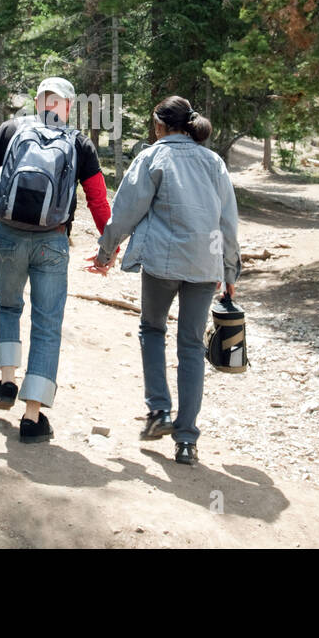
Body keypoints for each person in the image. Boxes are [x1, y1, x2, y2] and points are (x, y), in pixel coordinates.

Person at [84, 96, 240, 465]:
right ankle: (186, 441)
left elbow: (125, 210)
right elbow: (228, 223)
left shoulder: (153, 157)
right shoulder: (213, 162)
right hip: (205, 267)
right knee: (190, 347)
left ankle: (158, 413)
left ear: (159, 125)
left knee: (152, 330)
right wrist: (229, 271)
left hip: (161, 264)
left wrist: (105, 252)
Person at [0, 77, 113, 443]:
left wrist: (5, 196)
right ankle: (32, 418)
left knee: (7, 307)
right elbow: (98, 200)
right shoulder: (79, 143)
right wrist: (109, 247)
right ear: (68, 106)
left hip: (7, 235)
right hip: (52, 241)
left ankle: (6, 382)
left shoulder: (10, 130)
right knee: (47, 325)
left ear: (38, 102)